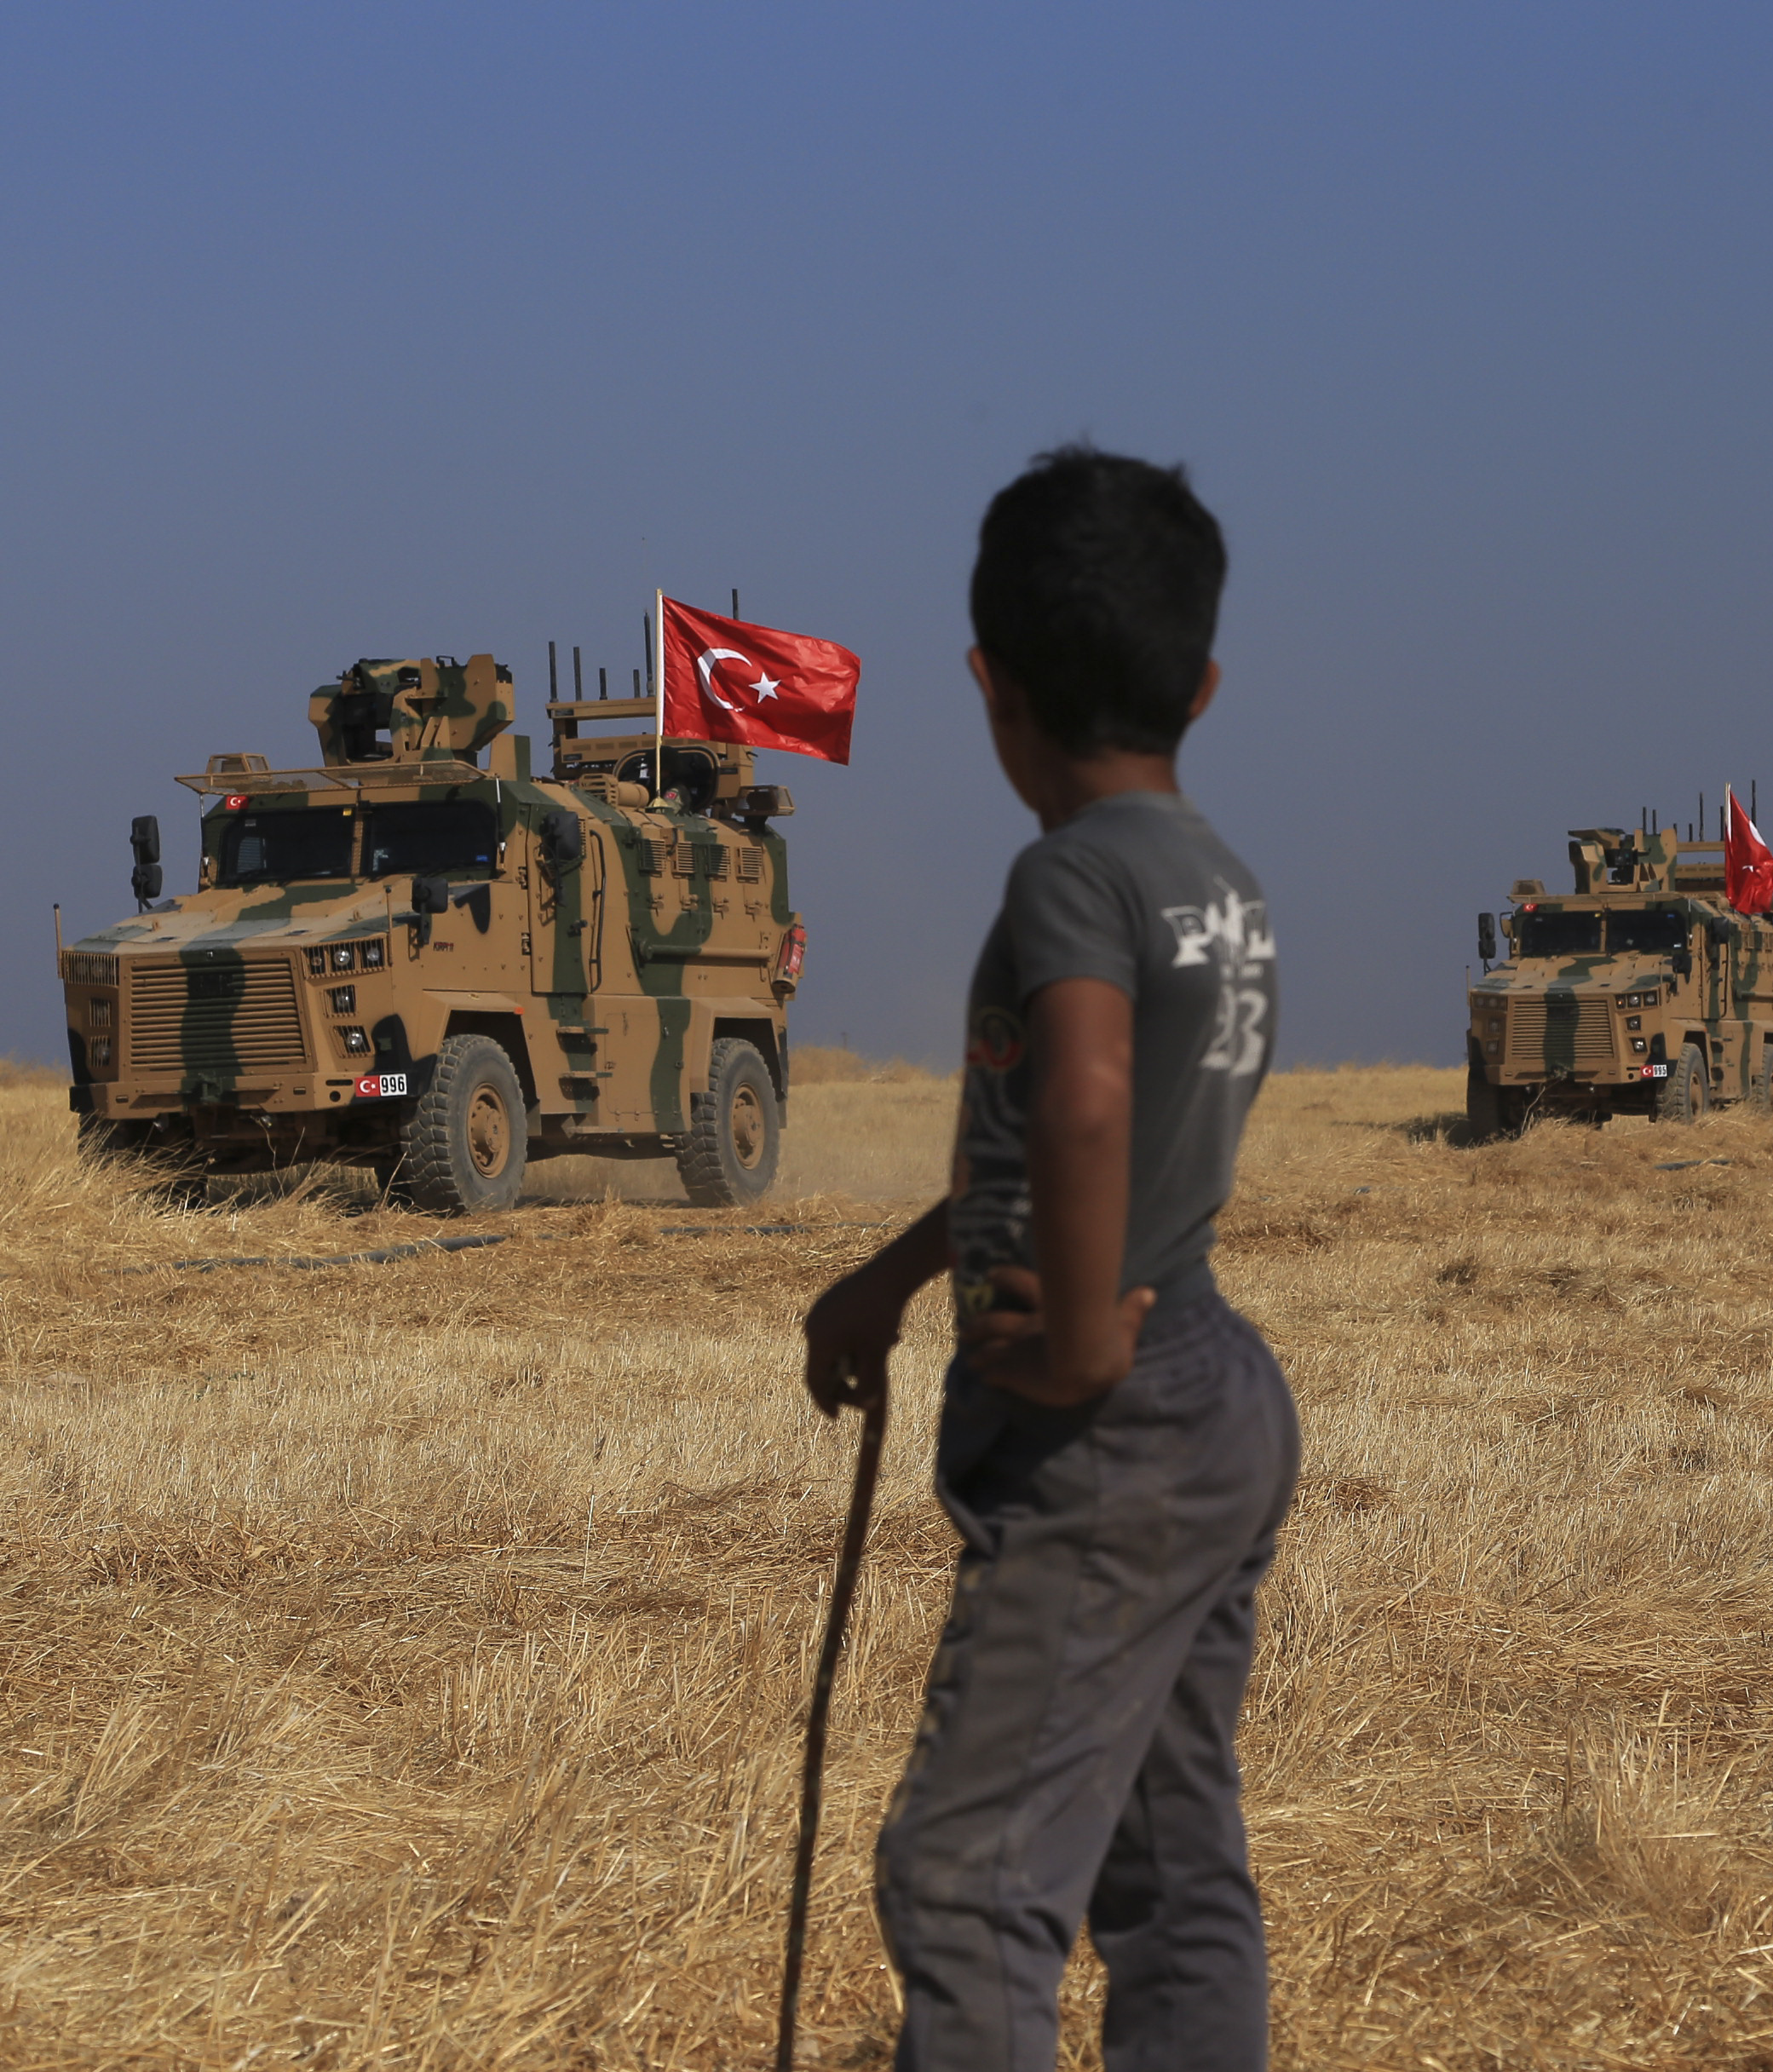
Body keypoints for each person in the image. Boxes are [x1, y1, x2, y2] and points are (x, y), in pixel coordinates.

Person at [800, 446, 1297, 2072]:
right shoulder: (1223, 889)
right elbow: (1097, 1130)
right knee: (1169, 1867)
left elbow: (1081, 1094)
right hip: (1217, 1388)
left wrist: (1077, 1341)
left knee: (965, 1885)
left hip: (1114, 1418)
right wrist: (900, 1272)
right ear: (1205, 685)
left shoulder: (1068, 876)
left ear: (989, 686)